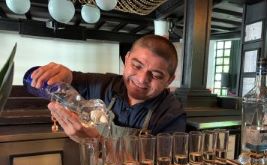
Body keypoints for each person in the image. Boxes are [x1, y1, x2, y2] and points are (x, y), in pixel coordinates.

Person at [30, 34, 186, 142]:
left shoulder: (171, 113)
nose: (142, 79)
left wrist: (96, 142)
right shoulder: (106, 84)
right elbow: (71, 79)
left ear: (169, 80)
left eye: (157, 75)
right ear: (126, 59)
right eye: (136, 65)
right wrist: (63, 74)